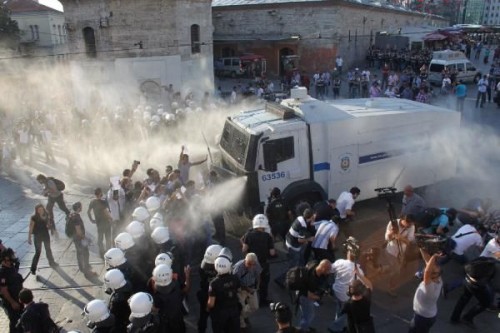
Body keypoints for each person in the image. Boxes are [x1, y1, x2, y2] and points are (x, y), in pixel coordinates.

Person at [450, 256, 497, 327]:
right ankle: (467, 318)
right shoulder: (495, 265)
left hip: (468, 279)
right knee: (485, 303)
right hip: (477, 285)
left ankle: (454, 318)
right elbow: (494, 283)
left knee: (464, 298)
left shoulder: (485, 259)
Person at [329, 240, 364, 333]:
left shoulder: (339, 262)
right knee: (346, 313)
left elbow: (330, 270)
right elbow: (362, 284)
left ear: (348, 253)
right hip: (346, 297)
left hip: (336, 291)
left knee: (339, 308)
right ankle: (335, 327)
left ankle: (338, 326)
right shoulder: (359, 271)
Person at [241, 214, 275, 307]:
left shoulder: (248, 235)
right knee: (264, 282)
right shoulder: (267, 236)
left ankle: (250, 300)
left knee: (251, 281)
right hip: (263, 264)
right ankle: (263, 301)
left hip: (252, 263)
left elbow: (244, 249)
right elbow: (272, 253)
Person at [275, 209, 315, 288]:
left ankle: (301, 272)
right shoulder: (303, 226)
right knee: (293, 266)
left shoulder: (300, 218)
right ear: (310, 217)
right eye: (313, 216)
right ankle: (280, 280)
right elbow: (300, 240)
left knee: (300, 260)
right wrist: (309, 239)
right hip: (294, 247)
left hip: (289, 240)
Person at [408, 249, 443, 333]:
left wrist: (434, 256)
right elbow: (427, 261)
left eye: (433, 272)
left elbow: (427, 271)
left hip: (422, 318)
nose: (429, 269)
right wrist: (420, 247)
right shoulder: (439, 280)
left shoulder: (430, 287)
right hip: (428, 316)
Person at [207, 255, 241, 333]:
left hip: (220, 313)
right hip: (234, 311)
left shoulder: (214, 283)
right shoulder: (234, 278)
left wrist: (207, 308)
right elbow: (239, 290)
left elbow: (211, 303)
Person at [384, 214, 415, 297]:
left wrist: (400, 237)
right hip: (391, 252)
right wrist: (391, 233)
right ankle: (390, 288)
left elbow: (409, 242)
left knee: (396, 267)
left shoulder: (411, 226)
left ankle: (382, 270)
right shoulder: (392, 223)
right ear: (402, 219)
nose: (409, 226)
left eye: (411, 224)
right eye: (407, 223)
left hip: (401, 252)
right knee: (396, 272)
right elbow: (387, 238)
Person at [149, 264, 186, 333]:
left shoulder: (157, 296)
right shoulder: (177, 285)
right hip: (178, 318)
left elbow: (156, 309)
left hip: (166, 322)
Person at [298, 259, 331, 332]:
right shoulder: (312, 281)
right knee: (309, 315)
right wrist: (319, 297)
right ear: (323, 268)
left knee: (305, 312)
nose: (329, 272)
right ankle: (303, 329)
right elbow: (310, 296)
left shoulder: (314, 263)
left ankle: (304, 327)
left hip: (302, 291)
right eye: (328, 270)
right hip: (305, 296)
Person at [197, 244, 222, 333]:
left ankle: (201, 330)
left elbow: (202, 276)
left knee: (203, 315)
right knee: (217, 317)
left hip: (205, 293)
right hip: (217, 295)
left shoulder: (203, 266)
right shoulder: (221, 267)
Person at [233, 253, 262, 330]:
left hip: (252, 287)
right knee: (241, 307)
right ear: (245, 260)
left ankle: (243, 316)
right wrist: (246, 288)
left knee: (255, 307)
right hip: (241, 290)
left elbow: (258, 275)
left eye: (253, 265)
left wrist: (258, 286)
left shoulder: (256, 264)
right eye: (249, 264)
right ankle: (242, 325)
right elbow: (235, 282)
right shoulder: (238, 268)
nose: (251, 267)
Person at [28, 204, 58, 275]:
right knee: (38, 252)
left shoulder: (46, 215)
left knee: (48, 249)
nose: (40, 211)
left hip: (45, 235)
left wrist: (51, 229)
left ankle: (52, 262)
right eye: (39, 210)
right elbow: (31, 228)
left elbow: (48, 224)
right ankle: (33, 268)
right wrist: (29, 238)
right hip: (37, 236)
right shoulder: (34, 218)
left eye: (41, 209)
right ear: (37, 211)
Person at [69, 202, 97, 279]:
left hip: (75, 238)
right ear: (78, 208)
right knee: (85, 254)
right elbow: (78, 230)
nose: (82, 208)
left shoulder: (72, 215)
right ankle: (87, 272)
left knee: (79, 253)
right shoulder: (76, 218)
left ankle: (81, 267)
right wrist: (84, 238)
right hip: (79, 239)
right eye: (81, 207)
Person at [0, 248, 23, 333]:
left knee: (21, 321)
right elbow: (4, 290)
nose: (12, 260)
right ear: (5, 260)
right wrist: (13, 302)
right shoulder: (2, 273)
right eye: (10, 258)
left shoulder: (12, 267)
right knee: (14, 323)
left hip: (19, 299)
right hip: (11, 302)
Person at [88, 188, 113, 257]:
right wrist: (111, 219)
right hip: (107, 223)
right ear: (100, 194)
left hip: (99, 224)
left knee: (100, 239)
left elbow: (88, 212)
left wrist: (91, 220)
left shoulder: (92, 202)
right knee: (108, 238)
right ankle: (109, 252)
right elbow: (107, 212)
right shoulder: (104, 202)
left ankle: (101, 252)